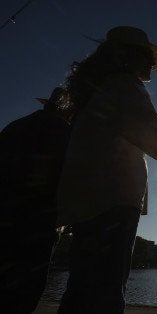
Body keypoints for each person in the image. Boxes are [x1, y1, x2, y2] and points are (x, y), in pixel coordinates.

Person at [55, 26, 157, 314]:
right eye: (146, 56)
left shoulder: (99, 91)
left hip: (89, 203)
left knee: (83, 289)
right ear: (125, 56)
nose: (151, 64)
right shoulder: (122, 86)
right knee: (103, 292)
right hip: (110, 203)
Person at [0, 87, 74, 313]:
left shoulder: (15, 126)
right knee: (25, 289)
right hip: (37, 219)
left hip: (6, 214)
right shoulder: (63, 130)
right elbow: (66, 174)